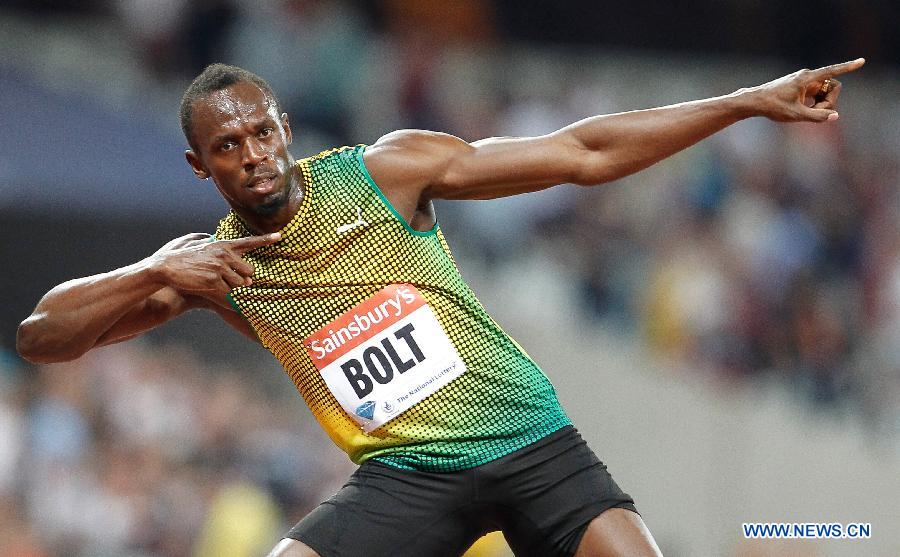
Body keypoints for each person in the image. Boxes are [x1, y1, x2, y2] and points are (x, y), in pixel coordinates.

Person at [17, 57, 865, 557]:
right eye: (228, 147)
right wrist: (153, 269)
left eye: (262, 132)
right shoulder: (213, 269)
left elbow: (581, 154)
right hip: (409, 476)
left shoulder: (385, 173)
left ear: (283, 124)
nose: (254, 156)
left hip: (532, 443)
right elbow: (42, 336)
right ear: (200, 166)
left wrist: (748, 100)